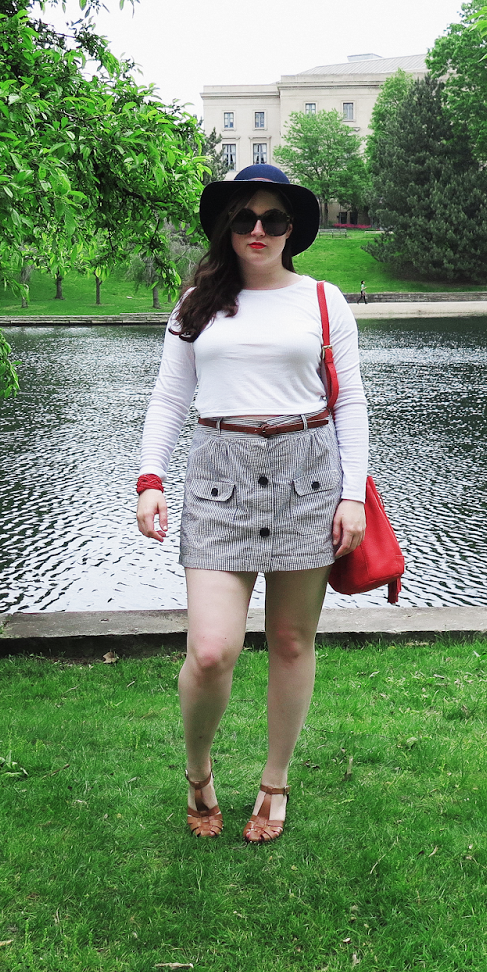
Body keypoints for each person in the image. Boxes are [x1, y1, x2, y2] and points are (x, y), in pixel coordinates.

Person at [135, 162, 369, 844]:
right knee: (211, 650)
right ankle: (198, 771)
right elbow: (169, 399)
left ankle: (275, 780)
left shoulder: (324, 300)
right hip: (220, 478)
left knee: (292, 641)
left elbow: (350, 402)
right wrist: (150, 478)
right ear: (226, 227)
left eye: (273, 219)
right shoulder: (196, 304)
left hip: (308, 477)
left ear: (293, 229)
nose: (258, 230)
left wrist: (351, 495)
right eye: (244, 218)